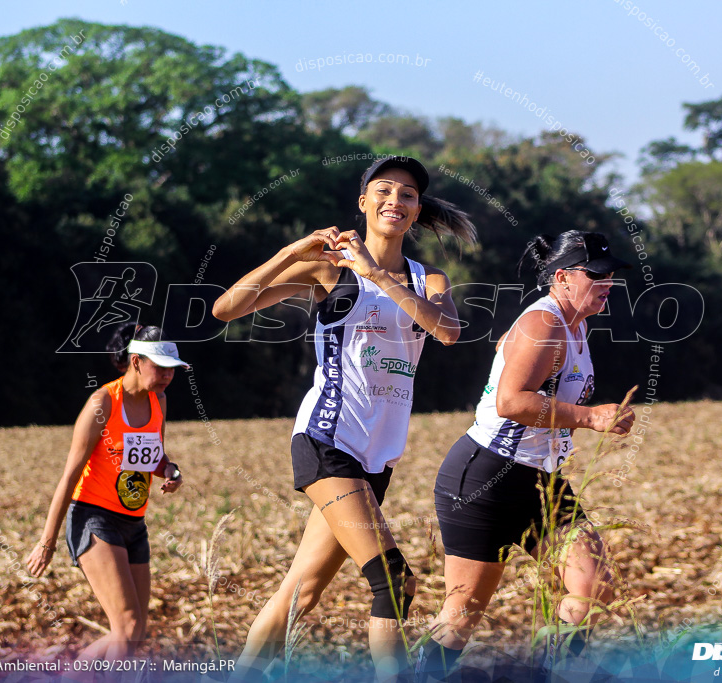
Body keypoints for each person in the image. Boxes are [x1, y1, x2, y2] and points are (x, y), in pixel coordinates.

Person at [212, 156, 476, 682]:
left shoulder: (429, 279)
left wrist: (377, 274)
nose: (394, 201)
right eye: (383, 191)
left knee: (300, 593)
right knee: (394, 581)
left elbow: (447, 331)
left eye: (407, 194)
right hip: (327, 441)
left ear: (417, 210)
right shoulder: (326, 270)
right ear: (362, 204)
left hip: (378, 457)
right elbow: (226, 309)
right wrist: (292, 252)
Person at [418, 231, 636, 681]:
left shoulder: (573, 324)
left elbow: (508, 349)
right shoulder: (546, 323)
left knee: (592, 588)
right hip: (485, 477)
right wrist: (590, 417)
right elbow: (511, 402)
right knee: (462, 614)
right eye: (596, 274)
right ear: (562, 278)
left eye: (611, 275)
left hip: (540, 481)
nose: (607, 282)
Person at [25, 323, 186, 660]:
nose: (167, 376)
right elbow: (69, 476)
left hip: (134, 524)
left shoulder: (160, 401)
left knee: (135, 635)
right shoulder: (103, 403)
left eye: (172, 370)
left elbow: (155, 456)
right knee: (127, 628)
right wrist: (47, 542)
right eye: (161, 368)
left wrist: (170, 470)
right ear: (137, 361)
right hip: (94, 518)